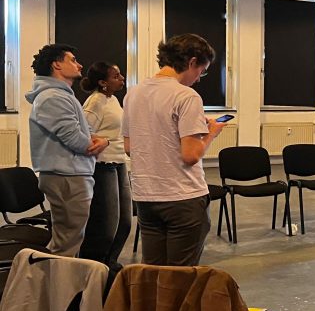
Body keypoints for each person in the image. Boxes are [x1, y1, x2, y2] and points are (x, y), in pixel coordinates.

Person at [122, 34, 225, 266]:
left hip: (146, 197)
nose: (198, 79)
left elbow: (130, 148)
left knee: (153, 271)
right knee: (180, 276)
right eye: (201, 71)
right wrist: (211, 133)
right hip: (182, 197)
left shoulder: (133, 93)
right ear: (192, 62)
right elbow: (190, 155)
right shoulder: (186, 95)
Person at [25, 44, 108, 256]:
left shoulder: (62, 95)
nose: (79, 65)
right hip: (66, 177)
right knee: (66, 246)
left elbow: (86, 131)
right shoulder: (53, 97)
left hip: (70, 175)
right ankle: (50, 279)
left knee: (70, 242)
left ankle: (60, 278)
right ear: (57, 65)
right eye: (72, 60)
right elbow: (77, 140)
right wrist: (100, 143)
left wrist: (100, 140)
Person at [79, 62, 132, 265]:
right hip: (102, 166)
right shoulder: (95, 102)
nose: (122, 79)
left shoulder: (113, 99)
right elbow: (84, 133)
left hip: (119, 162)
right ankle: (95, 267)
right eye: (116, 76)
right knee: (106, 226)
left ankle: (111, 264)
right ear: (103, 82)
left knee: (125, 222)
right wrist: (103, 142)